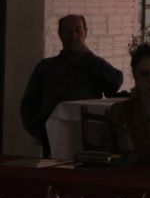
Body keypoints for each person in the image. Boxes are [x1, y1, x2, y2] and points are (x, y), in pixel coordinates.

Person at [20, 14, 124, 157]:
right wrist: (40, 133)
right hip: (53, 138)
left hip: (90, 138)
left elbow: (115, 83)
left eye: (78, 30)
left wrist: (88, 55)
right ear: (60, 34)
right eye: (68, 31)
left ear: (85, 32)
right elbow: (28, 104)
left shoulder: (95, 65)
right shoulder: (45, 67)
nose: (73, 36)